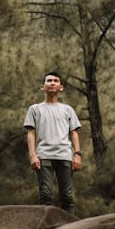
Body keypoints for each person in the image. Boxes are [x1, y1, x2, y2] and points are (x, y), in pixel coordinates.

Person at [23, 71, 82, 214]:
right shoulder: (35, 109)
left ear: (60, 87)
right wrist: (33, 155)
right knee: (46, 195)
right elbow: (31, 133)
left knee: (67, 196)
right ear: (43, 87)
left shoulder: (67, 109)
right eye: (49, 81)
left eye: (56, 81)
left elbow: (74, 133)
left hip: (65, 156)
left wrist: (77, 154)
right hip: (44, 156)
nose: (52, 83)